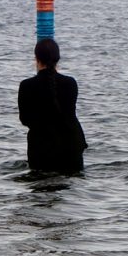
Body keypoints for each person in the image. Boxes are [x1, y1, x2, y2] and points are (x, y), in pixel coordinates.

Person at [18, 38, 87, 174]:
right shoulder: (71, 83)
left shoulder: (26, 85)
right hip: (72, 147)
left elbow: (24, 120)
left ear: (36, 59)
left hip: (42, 150)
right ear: (58, 59)